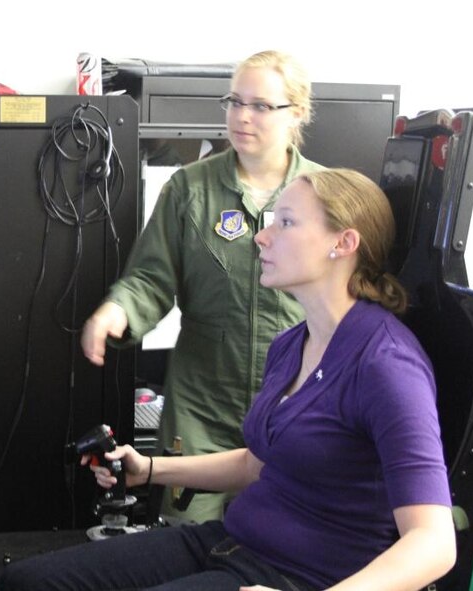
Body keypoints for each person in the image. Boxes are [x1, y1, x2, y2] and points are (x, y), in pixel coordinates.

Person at [0, 168, 456, 591]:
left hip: (296, 576)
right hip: (228, 543)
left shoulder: (387, 366)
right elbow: (256, 465)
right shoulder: (292, 344)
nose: (262, 236)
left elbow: (434, 544)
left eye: (287, 223)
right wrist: (150, 469)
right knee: (25, 583)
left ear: (343, 243)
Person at [81, 50, 324, 523]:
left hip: (291, 406)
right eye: (234, 102)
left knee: (275, 543)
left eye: (259, 105)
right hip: (202, 407)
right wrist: (118, 310)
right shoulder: (189, 190)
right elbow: (151, 277)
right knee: (186, 540)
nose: (241, 116)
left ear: (297, 113)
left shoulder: (326, 195)